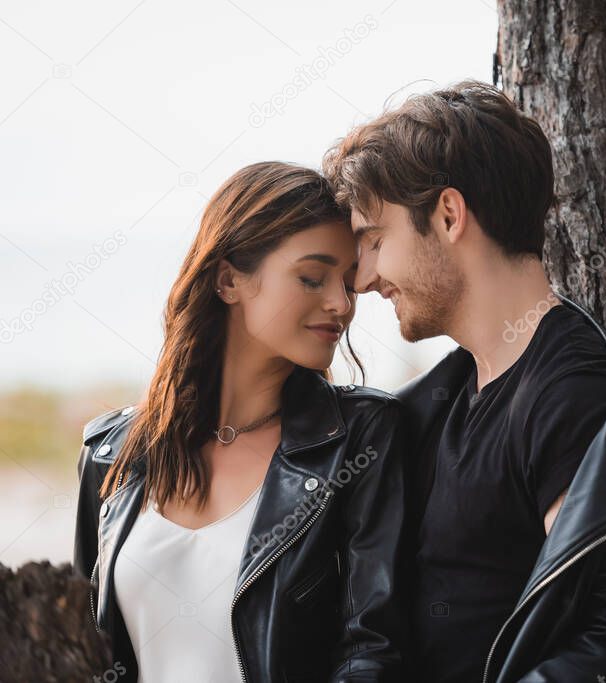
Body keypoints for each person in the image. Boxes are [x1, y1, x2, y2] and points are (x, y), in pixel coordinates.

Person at [323, 81, 606, 683]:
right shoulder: (439, 402)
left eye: (376, 241)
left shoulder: (574, 392)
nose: (365, 278)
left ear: (449, 216)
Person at [72, 161, 407, 683]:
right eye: (312, 277)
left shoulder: (361, 439)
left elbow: (372, 651)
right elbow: (83, 656)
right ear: (229, 279)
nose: (341, 304)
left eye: (347, 283)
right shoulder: (110, 454)